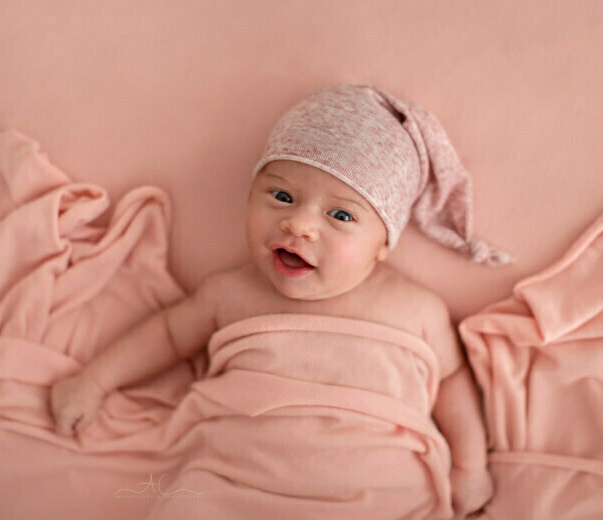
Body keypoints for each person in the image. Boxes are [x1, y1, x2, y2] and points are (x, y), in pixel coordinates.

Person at [49, 83, 513, 518]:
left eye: (340, 214)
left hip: (375, 499)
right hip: (232, 488)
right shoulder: (230, 293)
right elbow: (168, 335)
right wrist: (94, 381)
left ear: (382, 243)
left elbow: (452, 382)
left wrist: (469, 467)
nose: (300, 225)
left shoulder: (416, 309)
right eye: (282, 195)